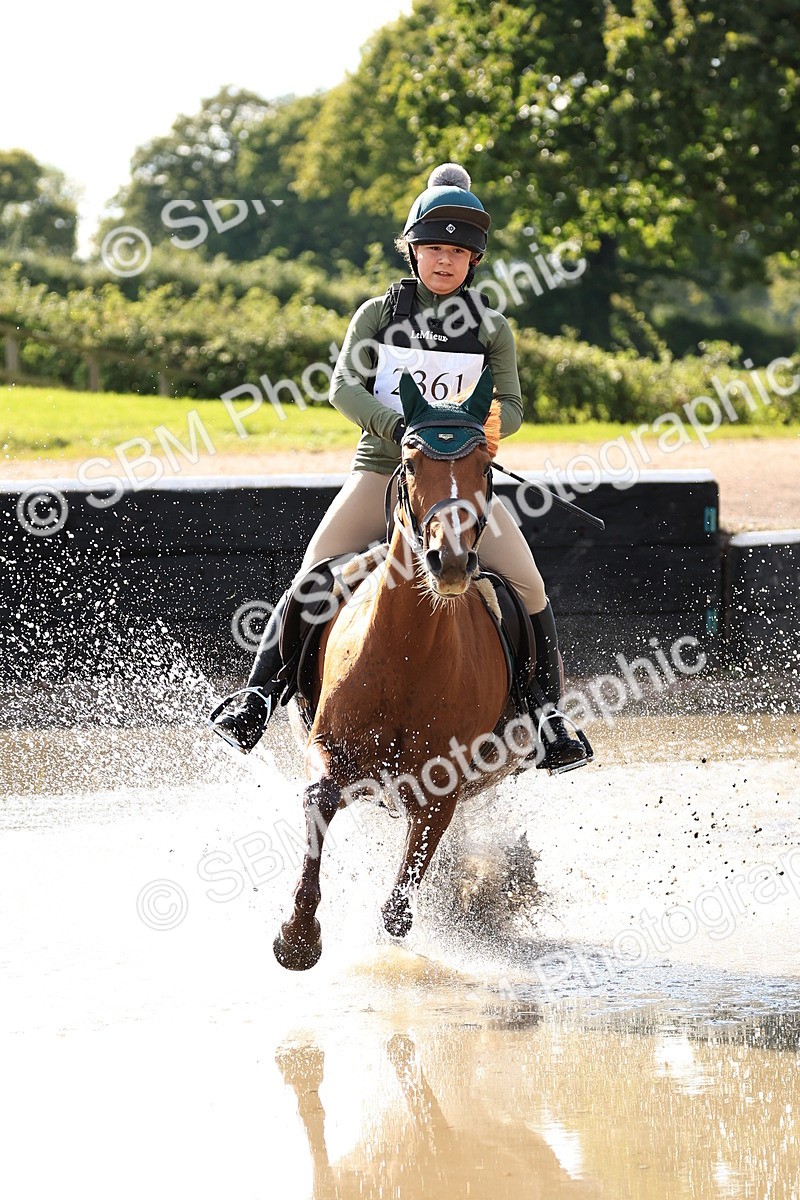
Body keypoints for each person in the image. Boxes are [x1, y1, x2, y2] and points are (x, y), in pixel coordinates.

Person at [210, 163, 588, 773]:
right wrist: (399, 429)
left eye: (458, 252)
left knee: (528, 585)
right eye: (434, 249)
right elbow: (342, 388)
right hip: (381, 471)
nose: (445, 261)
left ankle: (547, 717)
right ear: (412, 251)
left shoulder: (492, 329)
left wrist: (476, 432)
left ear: (473, 261)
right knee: (312, 575)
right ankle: (256, 699)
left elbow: (513, 408)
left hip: (458, 481)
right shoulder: (377, 315)